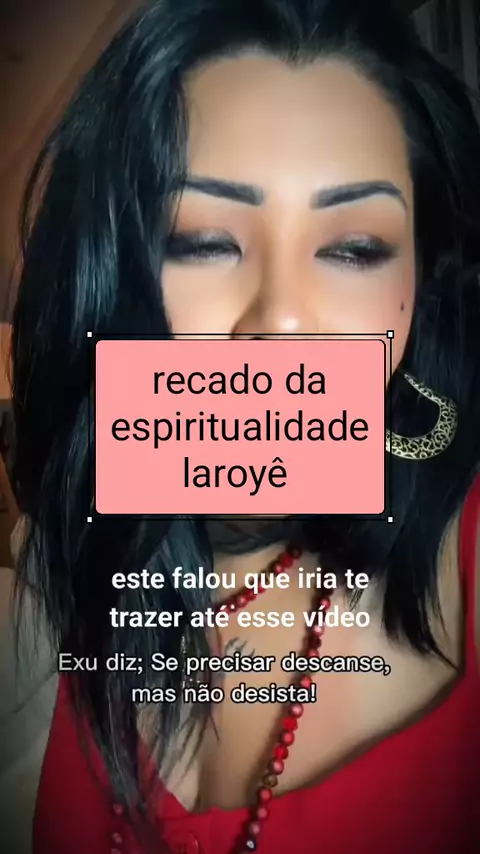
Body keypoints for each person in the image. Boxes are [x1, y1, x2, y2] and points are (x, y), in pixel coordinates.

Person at [1, 0, 480, 851]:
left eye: (355, 248)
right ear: (118, 277)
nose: (280, 323)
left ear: (420, 282)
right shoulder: (75, 563)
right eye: (202, 239)